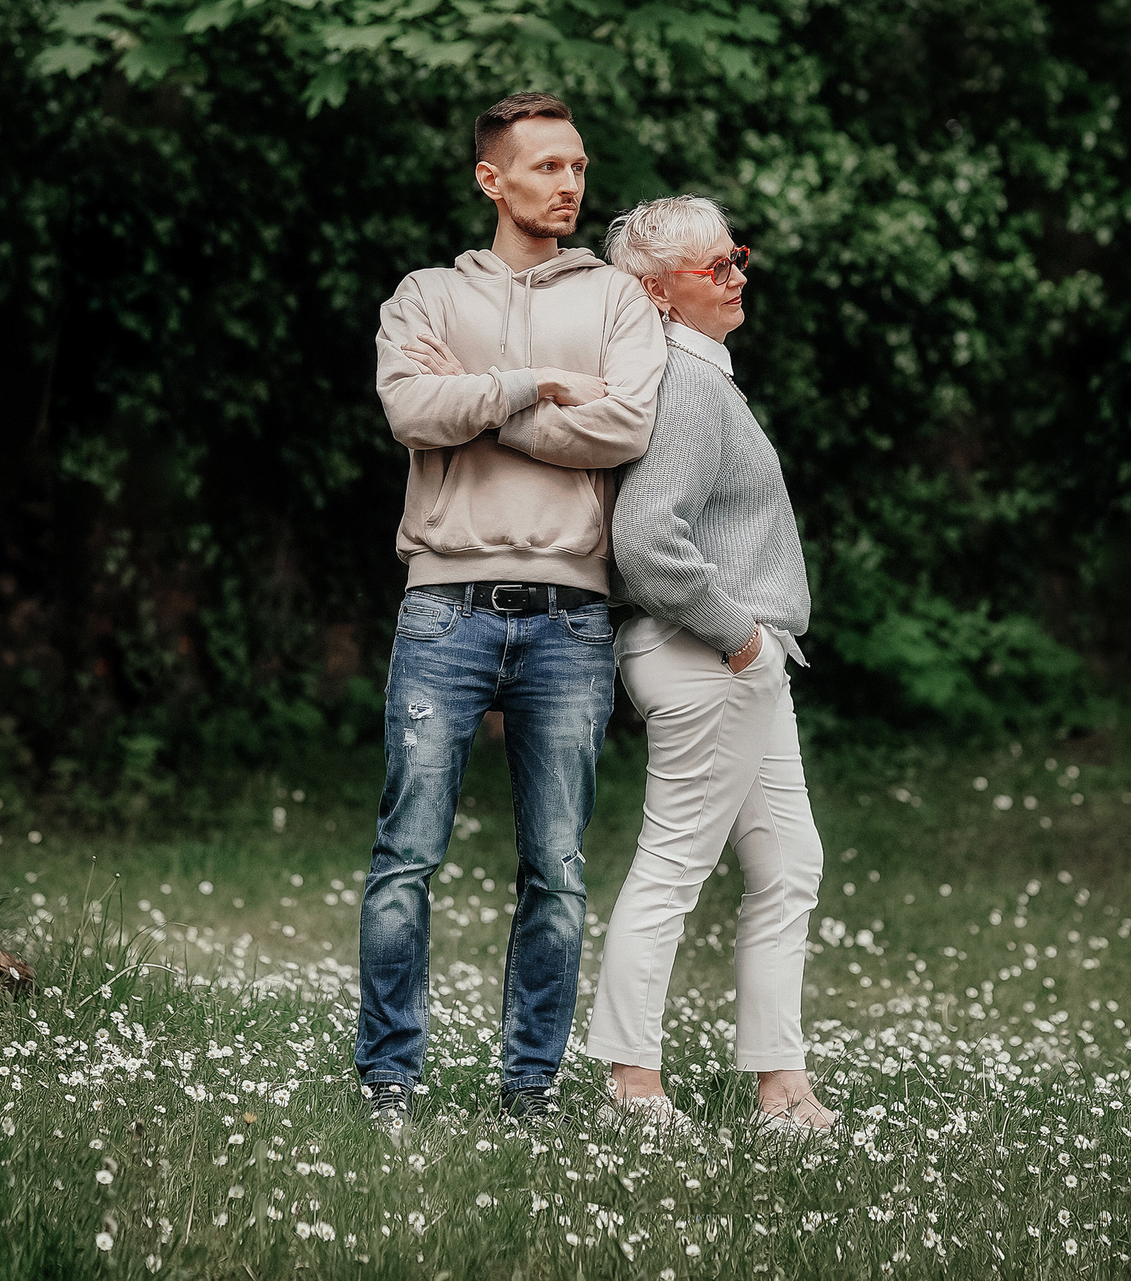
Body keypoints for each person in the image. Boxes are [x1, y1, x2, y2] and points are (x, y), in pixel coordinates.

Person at [357, 92, 668, 1133]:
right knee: (406, 856)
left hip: (572, 619)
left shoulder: (621, 300)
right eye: (545, 166)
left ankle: (526, 1091)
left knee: (558, 868)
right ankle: (389, 1083)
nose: (569, 182)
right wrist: (539, 381)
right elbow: (409, 408)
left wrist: (485, 401)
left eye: (578, 164)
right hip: (442, 607)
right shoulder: (426, 295)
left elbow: (625, 427)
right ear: (492, 178)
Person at [583, 194, 835, 1133]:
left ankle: (781, 1087)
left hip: (740, 664)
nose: (738, 275)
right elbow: (647, 540)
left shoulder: (702, 374)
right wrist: (742, 636)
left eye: (738, 256)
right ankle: (631, 1089)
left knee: (788, 865)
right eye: (715, 267)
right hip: (708, 658)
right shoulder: (684, 383)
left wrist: (756, 651)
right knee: (674, 863)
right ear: (655, 292)